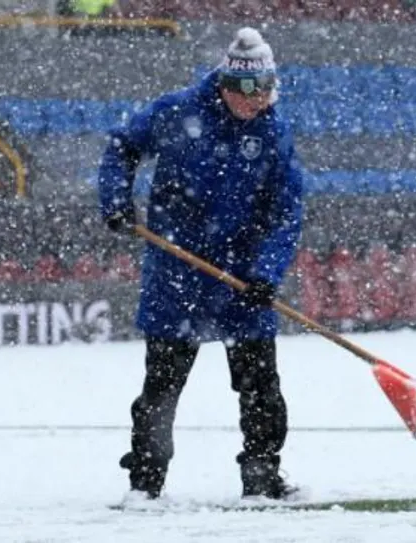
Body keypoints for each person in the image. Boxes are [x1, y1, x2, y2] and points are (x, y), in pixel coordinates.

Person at [97, 27, 305, 501]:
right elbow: (122, 146)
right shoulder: (176, 113)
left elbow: (287, 211)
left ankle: (262, 478)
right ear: (231, 87)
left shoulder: (273, 132)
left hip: (242, 280)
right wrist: (116, 200)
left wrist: (265, 275)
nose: (264, 101)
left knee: (261, 389)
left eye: (271, 89)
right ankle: (145, 485)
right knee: (162, 388)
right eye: (256, 93)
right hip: (178, 276)